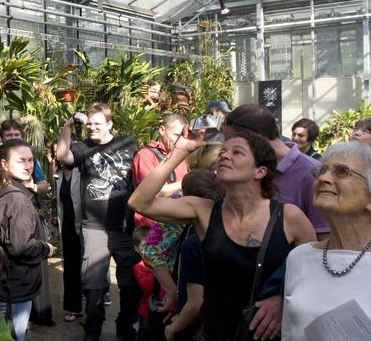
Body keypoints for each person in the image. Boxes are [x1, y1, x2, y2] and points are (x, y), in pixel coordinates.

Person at [129, 128, 316, 341]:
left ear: (260, 171)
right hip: (211, 334)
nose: (225, 155)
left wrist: (282, 298)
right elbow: (139, 202)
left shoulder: (289, 217)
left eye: (237, 152)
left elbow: (314, 272)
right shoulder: (203, 211)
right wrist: (179, 151)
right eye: (223, 152)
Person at [56, 103, 139, 341]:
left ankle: (125, 324)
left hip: (124, 227)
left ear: (110, 124)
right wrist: (68, 125)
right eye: (89, 124)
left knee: (130, 283)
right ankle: (93, 329)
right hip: (94, 227)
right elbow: (62, 155)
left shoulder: (128, 144)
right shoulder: (83, 147)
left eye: (97, 123)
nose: (92, 127)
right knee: (93, 286)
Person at [282, 141, 371, 340]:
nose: (323, 178)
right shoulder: (299, 257)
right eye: (322, 170)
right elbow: (289, 333)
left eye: (342, 171)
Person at [0, 139, 56, 341]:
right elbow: (20, 247)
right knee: (14, 335)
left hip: (4, 279)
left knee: (0, 333)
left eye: (30, 160)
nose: (27, 165)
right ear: (4, 164)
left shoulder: (3, 190)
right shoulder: (17, 199)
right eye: (20, 160)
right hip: (15, 282)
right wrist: (46, 248)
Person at [224, 104, 330, 238]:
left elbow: (324, 237)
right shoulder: (246, 170)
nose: (227, 150)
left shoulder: (312, 173)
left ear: (255, 136)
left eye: (234, 142)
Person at [132, 114, 190, 320]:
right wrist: (189, 183)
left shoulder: (184, 156)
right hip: (152, 232)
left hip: (174, 234)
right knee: (152, 291)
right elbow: (154, 193)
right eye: (176, 135)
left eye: (183, 136)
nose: (179, 140)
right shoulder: (146, 155)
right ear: (162, 130)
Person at [0, 119, 54, 326]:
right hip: (9, 218)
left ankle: (38, 314)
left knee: (34, 265)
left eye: (16, 134)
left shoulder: (30, 161)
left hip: (30, 213)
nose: (27, 165)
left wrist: (34, 187)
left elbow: (45, 185)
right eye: (9, 135)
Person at [164, 169, 225, 341]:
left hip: (194, 326)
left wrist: (174, 327)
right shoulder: (228, 232)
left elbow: (196, 303)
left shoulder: (194, 244)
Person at [51, 142, 83, 323]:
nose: (60, 154)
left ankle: (96, 303)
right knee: (70, 269)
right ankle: (73, 307)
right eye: (57, 152)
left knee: (88, 269)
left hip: (85, 227)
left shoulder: (83, 172)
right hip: (67, 229)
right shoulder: (57, 175)